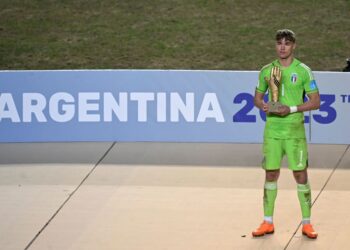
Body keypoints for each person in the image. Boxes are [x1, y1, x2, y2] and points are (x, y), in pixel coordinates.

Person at [252, 29, 320, 239]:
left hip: (294, 132)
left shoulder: (303, 71)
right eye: (279, 43)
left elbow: (315, 102)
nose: (282, 47)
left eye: (287, 43)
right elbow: (257, 98)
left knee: (300, 175)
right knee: (270, 173)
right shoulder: (266, 70)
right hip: (272, 132)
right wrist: (263, 105)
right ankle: (267, 221)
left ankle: (307, 223)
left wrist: (289, 109)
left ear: (294, 46)